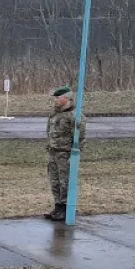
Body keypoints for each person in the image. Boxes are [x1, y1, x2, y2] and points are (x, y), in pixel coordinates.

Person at [45, 86, 85, 222]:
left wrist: (74, 156)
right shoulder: (54, 113)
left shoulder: (75, 116)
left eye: (58, 98)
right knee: (54, 181)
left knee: (65, 182)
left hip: (65, 154)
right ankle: (58, 206)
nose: (55, 100)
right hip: (53, 152)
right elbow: (48, 130)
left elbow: (80, 138)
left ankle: (66, 208)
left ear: (66, 98)